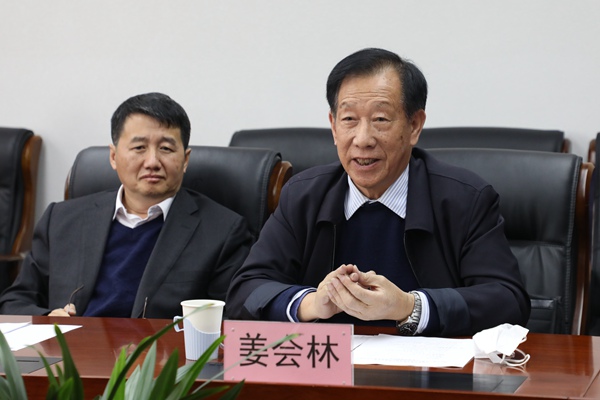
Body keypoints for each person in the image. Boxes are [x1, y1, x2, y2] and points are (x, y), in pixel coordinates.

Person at [226, 48, 530, 337]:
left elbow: (507, 301)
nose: (363, 139)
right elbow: (245, 292)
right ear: (333, 126)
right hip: (329, 365)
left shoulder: (465, 199)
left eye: (380, 120)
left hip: (428, 369)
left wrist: (409, 306)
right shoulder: (303, 196)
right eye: (349, 120)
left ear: (414, 126)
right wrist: (313, 303)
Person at [0, 92, 253, 319]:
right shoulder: (61, 220)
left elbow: (230, 320)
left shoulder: (223, 231)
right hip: (70, 353)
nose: (152, 162)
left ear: (185, 160)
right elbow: (15, 302)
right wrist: (48, 319)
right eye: (139, 147)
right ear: (113, 156)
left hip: (162, 355)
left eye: (166, 148)